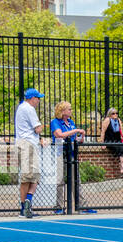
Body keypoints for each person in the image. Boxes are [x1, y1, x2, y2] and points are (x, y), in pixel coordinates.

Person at [49, 100, 86, 212]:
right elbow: (59, 134)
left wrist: (81, 137)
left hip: (71, 154)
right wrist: (75, 130)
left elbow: (74, 139)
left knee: (76, 180)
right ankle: (59, 207)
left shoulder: (71, 122)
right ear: (63, 111)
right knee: (60, 180)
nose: (71, 111)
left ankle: (81, 206)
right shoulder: (55, 122)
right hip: (60, 153)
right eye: (69, 109)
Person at [14, 87, 43, 218]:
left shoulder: (21, 107)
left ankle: (24, 207)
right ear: (32, 98)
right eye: (37, 98)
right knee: (34, 177)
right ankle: (27, 204)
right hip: (28, 145)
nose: (38, 101)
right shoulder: (29, 109)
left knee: (28, 177)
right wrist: (42, 127)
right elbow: (37, 129)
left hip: (21, 143)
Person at [101, 107, 123, 177]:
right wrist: (102, 143)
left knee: (122, 149)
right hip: (109, 141)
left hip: (117, 140)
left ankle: (122, 168)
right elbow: (103, 132)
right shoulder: (107, 120)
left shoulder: (118, 120)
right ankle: (122, 169)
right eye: (113, 113)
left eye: (116, 113)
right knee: (120, 149)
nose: (115, 115)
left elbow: (121, 132)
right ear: (109, 114)